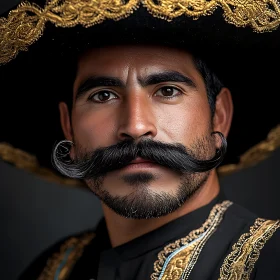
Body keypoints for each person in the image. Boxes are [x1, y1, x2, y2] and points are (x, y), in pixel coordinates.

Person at [0, 0, 280, 279]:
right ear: (68, 128)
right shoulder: (51, 270)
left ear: (219, 117)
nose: (135, 127)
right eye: (103, 96)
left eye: (168, 91)